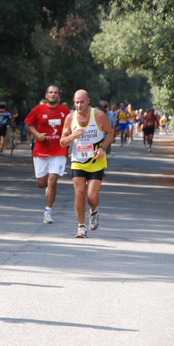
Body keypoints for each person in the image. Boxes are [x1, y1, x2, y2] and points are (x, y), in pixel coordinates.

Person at [60, 90, 114, 238]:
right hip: (78, 160)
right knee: (79, 194)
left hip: (96, 160)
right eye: (76, 102)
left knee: (91, 197)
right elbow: (62, 141)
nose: (78, 105)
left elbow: (110, 132)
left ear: (88, 101)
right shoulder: (70, 118)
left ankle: (93, 210)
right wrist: (72, 136)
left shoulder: (98, 115)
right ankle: (81, 227)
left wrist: (103, 148)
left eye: (81, 102)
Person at [25, 86, 71, 224]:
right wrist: (37, 134)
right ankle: (48, 190)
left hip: (59, 150)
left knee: (52, 181)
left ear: (59, 95)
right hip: (41, 150)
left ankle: (48, 211)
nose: (53, 94)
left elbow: (71, 125)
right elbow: (28, 124)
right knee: (41, 183)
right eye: (50, 92)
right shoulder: (38, 109)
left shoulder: (64, 110)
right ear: (46, 95)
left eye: (55, 92)